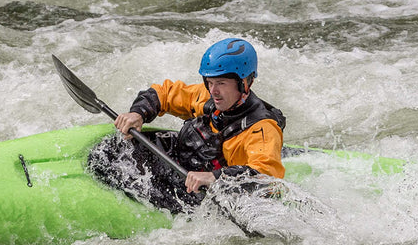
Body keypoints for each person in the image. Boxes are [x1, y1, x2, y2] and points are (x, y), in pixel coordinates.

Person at [88, 38, 286, 213]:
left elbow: (266, 175)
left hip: (204, 192)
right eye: (209, 82)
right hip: (183, 164)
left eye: (222, 83)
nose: (213, 91)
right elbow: (164, 93)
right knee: (113, 150)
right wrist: (137, 113)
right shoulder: (207, 96)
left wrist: (214, 177)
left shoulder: (262, 128)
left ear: (244, 83)